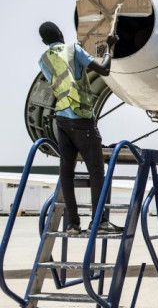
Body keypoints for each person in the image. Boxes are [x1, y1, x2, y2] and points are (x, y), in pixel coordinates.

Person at [38, 21, 122, 235]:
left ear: (43, 41)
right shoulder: (73, 49)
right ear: (60, 33)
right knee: (97, 171)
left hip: (61, 120)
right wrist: (110, 46)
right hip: (82, 118)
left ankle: (73, 224)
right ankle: (100, 222)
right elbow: (104, 69)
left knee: (66, 172)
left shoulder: (44, 60)